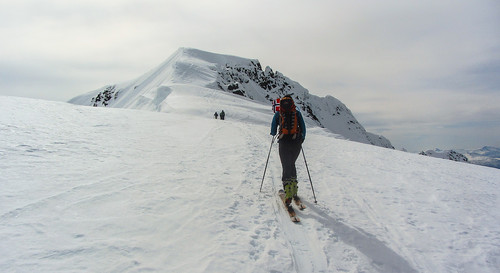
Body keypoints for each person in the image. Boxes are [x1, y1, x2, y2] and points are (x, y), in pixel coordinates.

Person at [270, 95, 306, 210]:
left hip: (284, 142)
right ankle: (294, 189)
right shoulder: (296, 112)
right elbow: (303, 127)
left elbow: (273, 127)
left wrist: (273, 134)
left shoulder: (279, 113)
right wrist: (301, 138)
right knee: (292, 164)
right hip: (296, 142)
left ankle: (288, 192)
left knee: (286, 165)